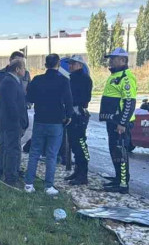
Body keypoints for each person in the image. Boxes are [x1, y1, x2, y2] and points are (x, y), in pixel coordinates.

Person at [24, 54, 73, 195]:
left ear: (45, 65)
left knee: (34, 153)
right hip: (56, 122)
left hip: (40, 120)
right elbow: (68, 100)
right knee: (52, 154)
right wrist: (68, 115)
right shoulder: (63, 80)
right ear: (58, 64)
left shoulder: (38, 80)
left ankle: (29, 184)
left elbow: (30, 98)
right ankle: (48, 186)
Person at [99, 48, 137, 194]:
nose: (111, 61)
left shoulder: (126, 78)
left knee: (121, 152)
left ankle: (123, 184)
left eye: (113, 59)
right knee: (114, 151)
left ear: (122, 60)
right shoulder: (115, 75)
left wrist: (122, 122)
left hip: (120, 123)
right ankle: (117, 177)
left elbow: (129, 102)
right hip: (112, 121)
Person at [0, 51, 29, 178]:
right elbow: (11, 104)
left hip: (14, 120)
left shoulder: (17, 79)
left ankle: (13, 170)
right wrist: (18, 121)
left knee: (14, 147)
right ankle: (8, 173)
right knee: (8, 146)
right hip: (10, 121)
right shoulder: (7, 79)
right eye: (23, 67)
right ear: (17, 68)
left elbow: (23, 97)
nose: (25, 70)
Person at [61, 55, 93, 185]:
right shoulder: (71, 78)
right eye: (69, 64)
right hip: (73, 113)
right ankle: (77, 171)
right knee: (75, 144)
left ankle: (83, 174)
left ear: (79, 65)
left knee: (80, 144)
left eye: (73, 64)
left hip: (78, 114)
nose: (70, 66)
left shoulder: (83, 79)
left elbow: (85, 98)